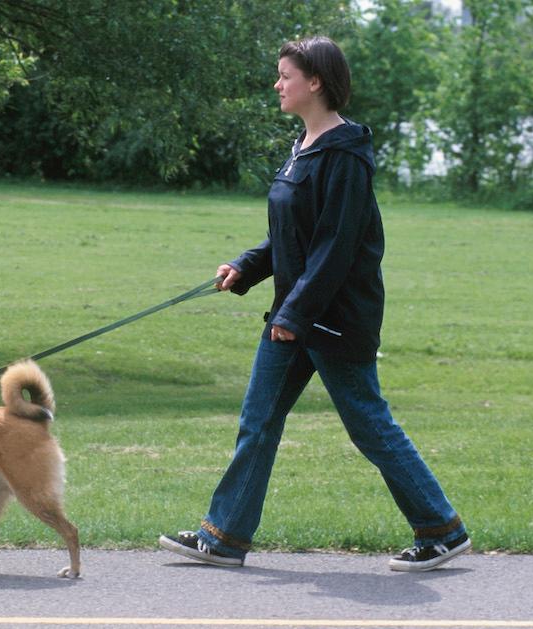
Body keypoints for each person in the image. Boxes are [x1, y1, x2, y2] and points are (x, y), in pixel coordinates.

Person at [158, 36, 469, 572]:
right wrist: (247, 266)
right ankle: (225, 535)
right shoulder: (305, 146)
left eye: (285, 75)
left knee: (369, 426)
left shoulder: (345, 154)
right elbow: (292, 233)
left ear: (316, 81)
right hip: (295, 315)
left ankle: (442, 530)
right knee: (258, 422)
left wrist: (294, 315)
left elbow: (335, 246)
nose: (277, 85)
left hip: (334, 320)